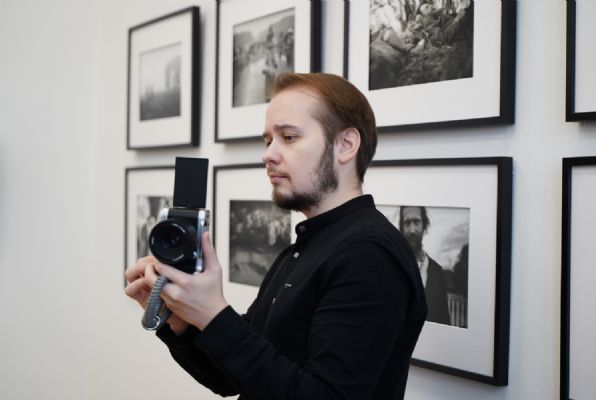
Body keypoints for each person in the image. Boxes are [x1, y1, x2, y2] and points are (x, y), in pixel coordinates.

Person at [125, 72, 427, 399]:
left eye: (289, 137)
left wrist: (213, 315)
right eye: (268, 140)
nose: (268, 154)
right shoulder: (305, 246)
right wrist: (181, 319)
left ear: (345, 145)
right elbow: (231, 378)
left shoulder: (369, 254)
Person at [399, 206, 451, 325]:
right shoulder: (391, 266)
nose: (412, 230)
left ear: (424, 226)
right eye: (407, 223)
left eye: (416, 222)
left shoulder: (437, 272)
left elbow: (444, 320)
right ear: (401, 227)